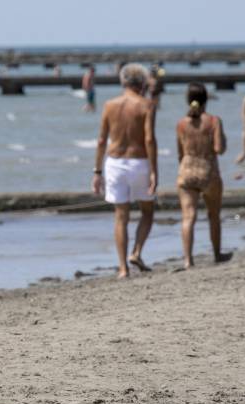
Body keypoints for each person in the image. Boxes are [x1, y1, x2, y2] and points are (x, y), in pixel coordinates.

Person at [91, 64, 157, 279]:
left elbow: (101, 140)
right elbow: (149, 139)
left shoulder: (110, 105)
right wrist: (154, 171)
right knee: (147, 211)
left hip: (115, 163)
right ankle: (136, 252)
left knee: (121, 217)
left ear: (123, 82)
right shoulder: (146, 105)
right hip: (139, 162)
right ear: (141, 84)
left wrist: (97, 171)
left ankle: (122, 268)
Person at [176, 82, 233, 269]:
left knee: (188, 216)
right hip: (208, 171)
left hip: (186, 170)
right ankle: (217, 254)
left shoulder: (181, 123)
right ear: (206, 99)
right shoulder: (214, 121)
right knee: (213, 215)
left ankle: (187, 260)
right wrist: (223, 138)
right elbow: (219, 149)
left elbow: (180, 152)